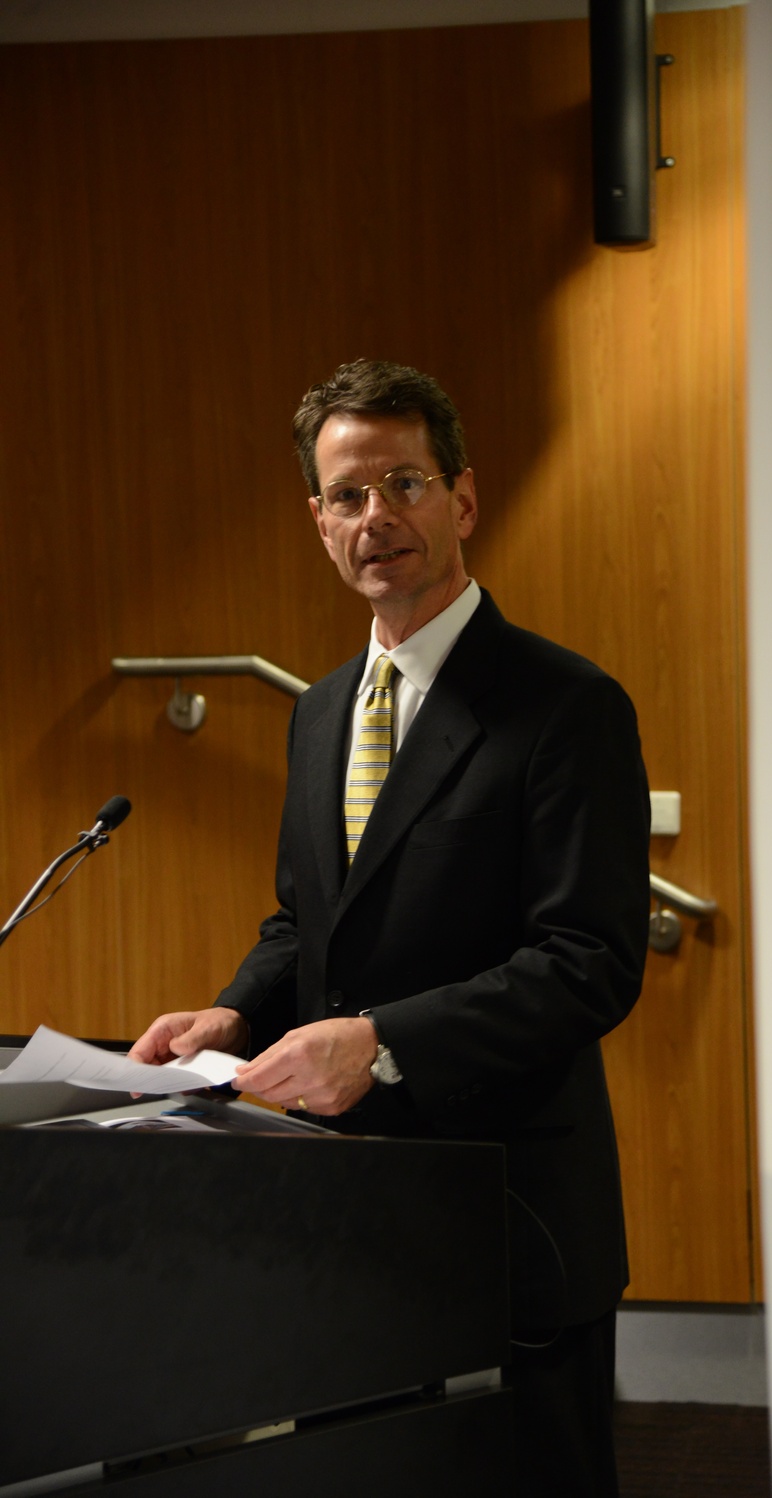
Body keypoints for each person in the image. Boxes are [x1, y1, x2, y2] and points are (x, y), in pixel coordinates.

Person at [130, 359, 650, 1497]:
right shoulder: (319, 711)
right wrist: (236, 1005)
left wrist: (379, 1039)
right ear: (319, 523)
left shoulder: (566, 707)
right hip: (347, 1212)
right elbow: (303, 918)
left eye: (404, 483)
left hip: (510, 1213)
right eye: (348, 496)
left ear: (461, 501)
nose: (379, 518)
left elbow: (589, 964)